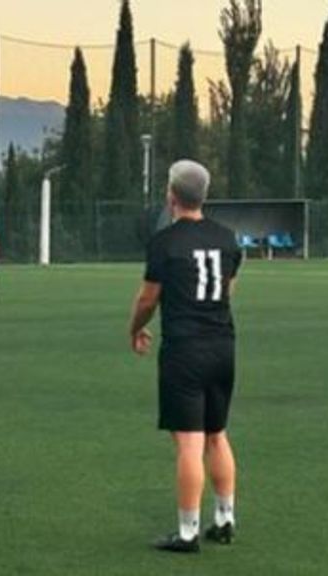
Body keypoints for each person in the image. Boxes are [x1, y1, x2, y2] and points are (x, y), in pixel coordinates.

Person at [128, 160, 243, 554]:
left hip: (185, 349)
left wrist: (134, 328)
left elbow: (147, 299)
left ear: (170, 196)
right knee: (217, 434)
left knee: (189, 443)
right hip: (223, 345)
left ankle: (188, 532)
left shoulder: (165, 243)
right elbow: (228, 289)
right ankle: (225, 519)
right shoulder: (228, 239)